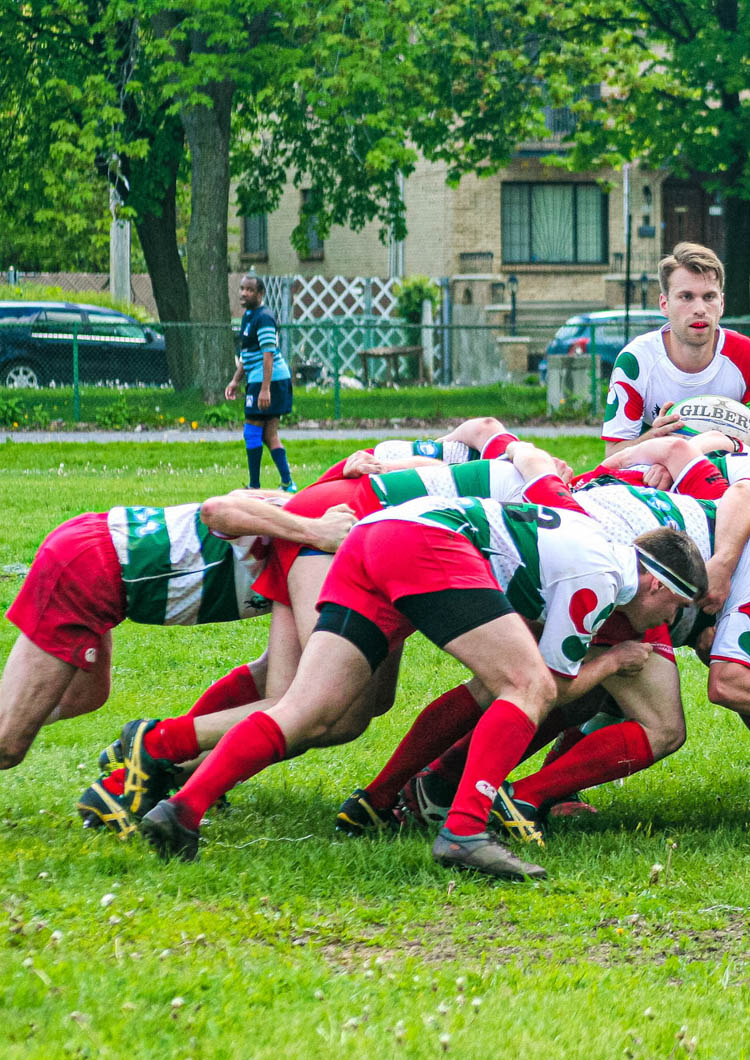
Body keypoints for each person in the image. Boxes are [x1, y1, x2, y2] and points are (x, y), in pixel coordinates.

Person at [137, 496, 706, 876]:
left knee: (309, 710)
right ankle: (463, 831)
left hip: (373, 536)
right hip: (426, 541)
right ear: (655, 583)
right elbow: (552, 687)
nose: (664, 622)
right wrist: (613, 662)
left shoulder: (598, 546)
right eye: (672, 608)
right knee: (527, 685)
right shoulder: (604, 577)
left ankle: (182, 808)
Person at [0, 492, 354, 772]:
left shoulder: (310, 519)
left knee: (87, 695)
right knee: (7, 744)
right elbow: (217, 508)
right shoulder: (311, 528)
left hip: (101, 565)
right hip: (88, 568)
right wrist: (315, 531)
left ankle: (173, 769)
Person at [601, 243, 750, 457]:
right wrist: (654, 439)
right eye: (686, 297)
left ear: (721, 304)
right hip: (658, 473)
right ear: (664, 304)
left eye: (709, 297)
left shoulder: (746, 355)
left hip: (730, 468)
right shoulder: (636, 361)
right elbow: (612, 456)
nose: (699, 309)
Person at [226, 276, 296, 491]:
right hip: (264, 379)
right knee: (268, 434)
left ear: (260, 293)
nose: (244, 293)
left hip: (269, 381)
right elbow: (248, 355)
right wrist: (236, 380)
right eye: (242, 288)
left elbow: (268, 354)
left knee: (252, 432)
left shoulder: (264, 318)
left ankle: (254, 486)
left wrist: (265, 389)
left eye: (249, 289)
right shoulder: (249, 316)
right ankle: (288, 483)